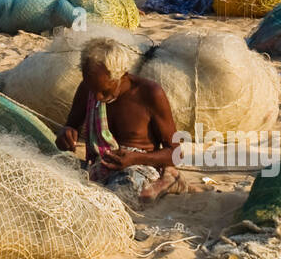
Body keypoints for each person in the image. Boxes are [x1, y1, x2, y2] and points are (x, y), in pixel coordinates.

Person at [56, 38, 187, 205]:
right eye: (92, 89)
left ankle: (166, 181)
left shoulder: (150, 94)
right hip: (98, 165)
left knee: (116, 198)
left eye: (104, 91)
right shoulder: (87, 88)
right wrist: (65, 134)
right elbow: (70, 127)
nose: (97, 97)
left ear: (122, 75)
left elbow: (176, 153)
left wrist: (135, 158)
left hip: (138, 167)